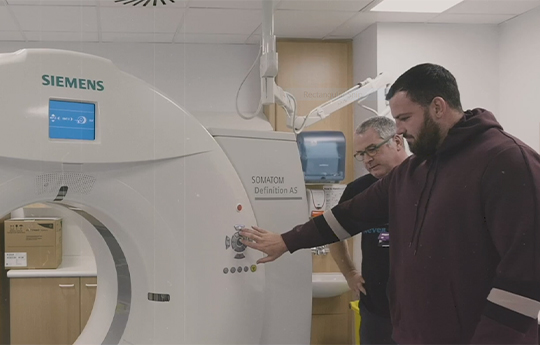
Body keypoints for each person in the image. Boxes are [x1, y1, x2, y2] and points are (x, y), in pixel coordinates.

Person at [241, 63, 540, 344]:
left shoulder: (506, 161)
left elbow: (526, 274)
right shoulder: (415, 172)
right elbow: (349, 215)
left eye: (405, 118)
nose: (398, 130)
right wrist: (287, 240)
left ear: (438, 106)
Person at [329, 116, 407, 345]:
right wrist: (350, 273)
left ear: (397, 142)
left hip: (420, 309)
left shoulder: (426, 180)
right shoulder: (359, 191)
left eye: (372, 149)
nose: (367, 160)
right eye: (361, 154)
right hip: (376, 310)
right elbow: (332, 233)